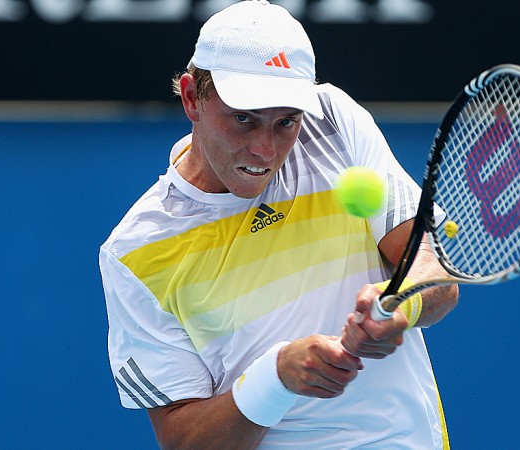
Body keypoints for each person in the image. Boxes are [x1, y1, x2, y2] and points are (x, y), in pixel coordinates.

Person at [99, 1, 459, 448]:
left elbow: (436, 274)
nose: (265, 151)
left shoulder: (334, 124)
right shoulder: (135, 251)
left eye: (285, 122)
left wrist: (401, 303)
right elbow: (185, 441)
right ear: (192, 97)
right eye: (244, 120)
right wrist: (275, 376)